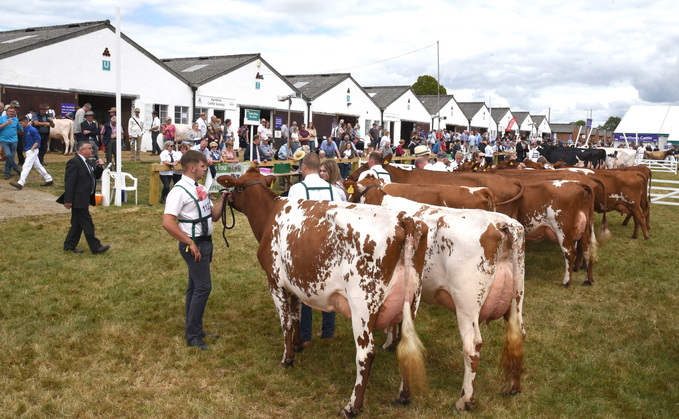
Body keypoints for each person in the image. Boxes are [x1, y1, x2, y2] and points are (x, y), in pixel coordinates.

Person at [162, 150, 228, 351]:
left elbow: (213, 217)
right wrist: (189, 242)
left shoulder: (199, 188)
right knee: (203, 288)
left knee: (194, 287)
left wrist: (223, 199)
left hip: (205, 242)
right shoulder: (179, 191)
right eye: (202, 167)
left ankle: (194, 329)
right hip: (195, 245)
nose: (204, 170)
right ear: (192, 167)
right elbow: (167, 222)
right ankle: (192, 335)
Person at [288, 153, 343, 346]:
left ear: (303, 167)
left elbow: (291, 221)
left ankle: (306, 336)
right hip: (329, 244)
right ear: (317, 167)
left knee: (305, 291)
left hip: (305, 244)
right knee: (330, 287)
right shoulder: (333, 190)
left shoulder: (296, 189)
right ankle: (328, 332)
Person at [57, 141, 110, 255]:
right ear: (82, 150)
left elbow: (95, 176)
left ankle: (69, 246)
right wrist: (68, 200)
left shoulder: (88, 162)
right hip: (78, 198)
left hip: (85, 197)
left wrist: (99, 166)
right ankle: (96, 247)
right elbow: (69, 183)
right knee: (87, 223)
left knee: (77, 224)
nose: (92, 150)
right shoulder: (74, 162)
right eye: (89, 148)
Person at [9, 116, 53, 190]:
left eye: (21, 123)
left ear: (26, 122)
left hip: (32, 150)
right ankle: (49, 179)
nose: (20, 125)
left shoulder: (33, 130)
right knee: (38, 166)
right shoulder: (26, 129)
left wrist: (32, 149)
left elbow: (38, 140)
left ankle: (21, 183)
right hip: (30, 150)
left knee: (26, 166)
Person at [0, 105, 22, 179]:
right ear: (6, 112)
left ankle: (7, 173)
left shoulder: (16, 120)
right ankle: (16, 168)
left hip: (14, 141)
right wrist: (5, 124)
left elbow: (21, 129)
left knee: (11, 157)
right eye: (10, 111)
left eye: (13, 112)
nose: (11, 113)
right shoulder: (1, 118)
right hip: (4, 140)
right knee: (8, 155)